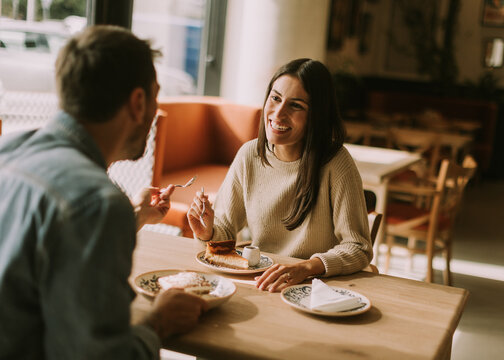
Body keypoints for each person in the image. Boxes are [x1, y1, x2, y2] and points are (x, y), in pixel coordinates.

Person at [0, 25, 207, 359]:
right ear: (138, 103)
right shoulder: (97, 203)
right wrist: (159, 323)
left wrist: (134, 217)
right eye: (156, 95)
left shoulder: (7, 151)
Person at [187, 58, 372, 292]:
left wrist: (306, 267)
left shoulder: (336, 162)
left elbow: (358, 248)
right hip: (262, 284)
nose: (278, 113)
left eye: (295, 105)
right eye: (275, 98)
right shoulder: (249, 155)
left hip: (316, 290)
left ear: (316, 115)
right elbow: (224, 229)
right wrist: (207, 232)